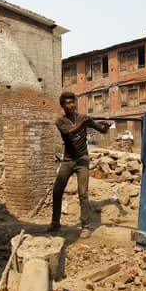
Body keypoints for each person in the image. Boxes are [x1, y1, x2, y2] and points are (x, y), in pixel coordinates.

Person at [48, 91, 112, 239]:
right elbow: (70, 133)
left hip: (82, 160)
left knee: (83, 193)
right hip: (68, 160)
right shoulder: (60, 121)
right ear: (62, 106)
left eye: (73, 102)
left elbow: (101, 130)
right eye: (68, 103)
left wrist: (107, 126)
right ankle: (55, 223)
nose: (71, 105)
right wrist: (84, 123)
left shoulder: (83, 118)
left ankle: (85, 226)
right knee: (57, 190)